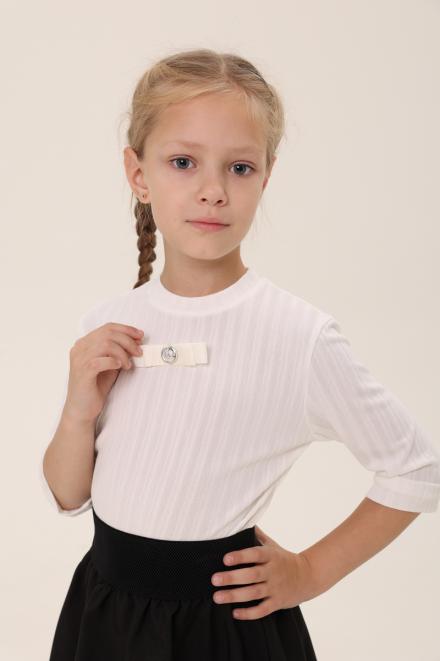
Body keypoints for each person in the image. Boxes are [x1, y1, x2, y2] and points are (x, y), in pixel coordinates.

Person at [40, 48, 440, 661]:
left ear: (266, 177)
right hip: (105, 615)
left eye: (240, 168)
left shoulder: (297, 335)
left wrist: (309, 572)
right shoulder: (109, 325)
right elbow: (69, 497)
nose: (213, 191)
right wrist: (77, 411)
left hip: (226, 628)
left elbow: (415, 468)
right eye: (183, 162)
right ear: (138, 174)